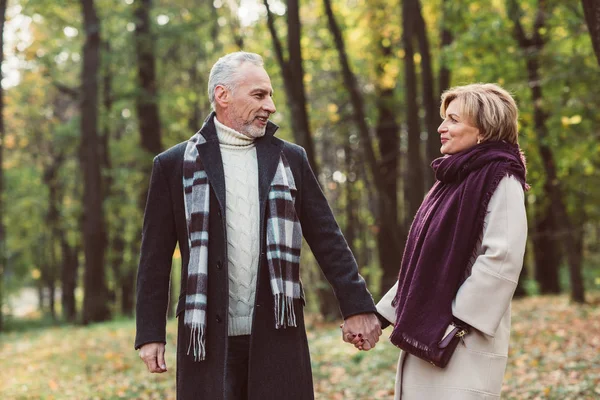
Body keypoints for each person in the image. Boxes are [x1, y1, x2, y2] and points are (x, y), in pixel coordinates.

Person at [134, 51, 381, 400]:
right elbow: (154, 259)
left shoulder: (290, 159)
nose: (271, 106)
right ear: (223, 95)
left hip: (277, 333)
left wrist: (357, 305)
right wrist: (149, 332)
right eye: (260, 95)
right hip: (205, 339)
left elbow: (328, 238)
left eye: (271, 95)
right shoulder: (174, 165)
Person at [374, 83, 529, 399]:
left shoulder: (502, 177)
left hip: (462, 338)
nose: (441, 128)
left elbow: (502, 257)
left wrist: (455, 321)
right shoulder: (450, 182)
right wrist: (381, 315)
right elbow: (422, 263)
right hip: (433, 327)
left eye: (453, 120)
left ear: (483, 129)